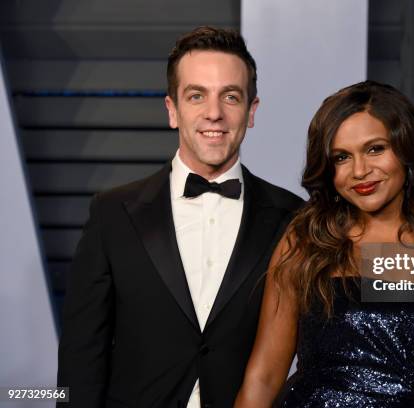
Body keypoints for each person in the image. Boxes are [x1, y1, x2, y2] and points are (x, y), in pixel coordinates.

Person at [57, 26, 303, 408]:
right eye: (196, 96)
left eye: (231, 97)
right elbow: (81, 355)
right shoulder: (111, 214)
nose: (214, 113)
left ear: (251, 111)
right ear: (172, 110)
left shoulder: (293, 217)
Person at [234, 81, 414, 407]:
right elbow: (264, 375)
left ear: (406, 148)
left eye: (375, 149)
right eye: (341, 157)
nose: (361, 171)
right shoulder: (307, 242)